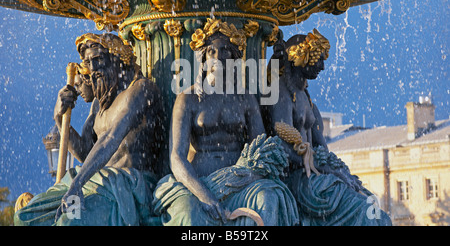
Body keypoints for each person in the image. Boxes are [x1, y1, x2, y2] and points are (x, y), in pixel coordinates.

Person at [153, 18, 299, 226]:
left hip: (241, 182)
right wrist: (205, 196)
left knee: (268, 197)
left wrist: (243, 177)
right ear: (203, 58)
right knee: (189, 214)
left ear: (234, 58)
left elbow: (261, 150)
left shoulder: (245, 99)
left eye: (225, 51)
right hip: (198, 184)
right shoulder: (188, 98)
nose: (218, 57)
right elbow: (176, 158)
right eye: (212, 51)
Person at [14, 33, 165, 226]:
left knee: (70, 222)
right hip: (94, 182)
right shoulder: (100, 104)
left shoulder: (140, 90)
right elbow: (86, 152)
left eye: (98, 59)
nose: (93, 69)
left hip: (126, 186)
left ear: (117, 58)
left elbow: (111, 138)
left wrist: (77, 184)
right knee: (25, 217)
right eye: (88, 62)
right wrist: (59, 119)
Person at [264, 29, 392, 226]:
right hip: (297, 178)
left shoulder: (307, 99)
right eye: (318, 59)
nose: (322, 66)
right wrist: (322, 167)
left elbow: (322, 147)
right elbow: (281, 148)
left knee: (370, 205)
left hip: (315, 175)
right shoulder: (281, 91)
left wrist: (339, 171)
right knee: (362, 211)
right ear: (300, 58)